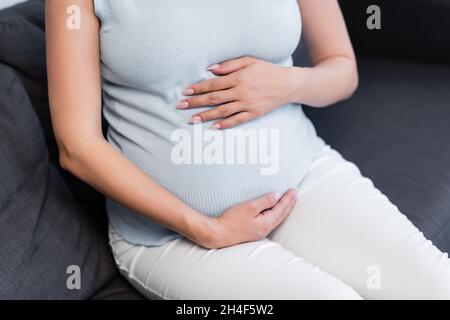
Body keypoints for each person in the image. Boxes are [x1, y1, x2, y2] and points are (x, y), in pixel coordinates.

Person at [46, 0, 450, 299]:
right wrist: (205, 229)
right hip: (171, 235)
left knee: (435, 286)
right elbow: (77, 146)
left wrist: (289, 83)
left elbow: (342, 70)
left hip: (301, 177)